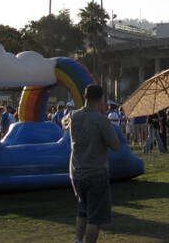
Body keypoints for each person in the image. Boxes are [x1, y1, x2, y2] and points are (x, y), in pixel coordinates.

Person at [62, 84, 120, 243]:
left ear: (85, 97)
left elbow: (63, 123)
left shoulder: (73, 116)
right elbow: (115, 146)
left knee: (83, 211)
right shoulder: (102, 120)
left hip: (76, 172)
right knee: (95, 218)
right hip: (96, 172)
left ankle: (78, 240)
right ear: (101, 100)